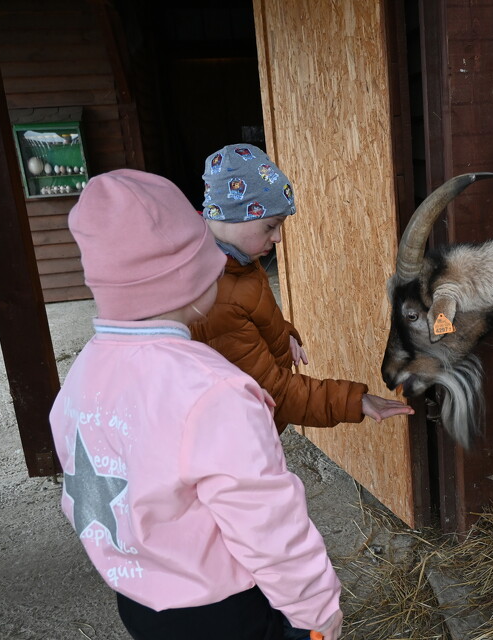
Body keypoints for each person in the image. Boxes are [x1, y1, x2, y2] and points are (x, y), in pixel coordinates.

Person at [50, 169, 343, 640]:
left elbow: (86, 488)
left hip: (138, 601)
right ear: (192, 275)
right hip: (222, 611)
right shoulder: (214, 390)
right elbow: (266, 520)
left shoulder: (83, 373)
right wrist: (316, 609)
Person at [192, 143, 413, 431]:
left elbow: (253, 311)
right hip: (241, 435)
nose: (278, 239)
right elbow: (273, 393)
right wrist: (355, 401)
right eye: (270, 226)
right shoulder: (215, 299)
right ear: (233, 216)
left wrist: (282, 333)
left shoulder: (236, 259)